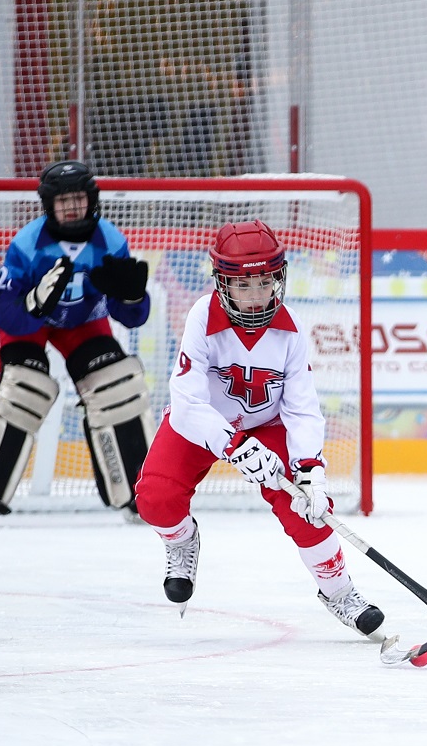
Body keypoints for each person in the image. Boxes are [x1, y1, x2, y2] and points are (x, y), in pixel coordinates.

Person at [133, 220, 386, 639]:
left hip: (267, 426)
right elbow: (187, 400)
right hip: (201, 425)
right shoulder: (202, 316)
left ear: (279, 279)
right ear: (221, 283)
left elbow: (303, 409)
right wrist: (235, 446)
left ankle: (340, 594)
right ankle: (181, 541)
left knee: (307, 509)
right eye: (242, 286)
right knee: (155, 498)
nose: (255, 296)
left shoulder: (290, 330)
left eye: (264, 283)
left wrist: (311, 474)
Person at [0, 161, 154, 526]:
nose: (72, 207)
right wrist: (32, 303)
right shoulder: (27, 244)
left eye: (79, 198)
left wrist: (133, 299)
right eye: (64, 200)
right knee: (23, 388)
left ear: (92, 200)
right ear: (49, 205)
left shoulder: (111, 240)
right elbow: (1, 308)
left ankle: (141, 496)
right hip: (29, 324)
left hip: (83, 323)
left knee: (116, 385)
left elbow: (131, 316)